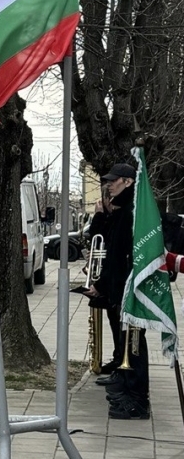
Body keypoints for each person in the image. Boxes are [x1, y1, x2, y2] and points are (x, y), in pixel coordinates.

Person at [84, 162, 149, 419]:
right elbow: (108, 250)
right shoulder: (123, 211)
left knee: (134, 346)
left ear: (128, 182)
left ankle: (137, 401)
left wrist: (101, 285)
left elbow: (119, 257)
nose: (108, 185)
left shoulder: (130, 213)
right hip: (120, 289)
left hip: (128, 290)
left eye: (113, 181)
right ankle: (128, 389)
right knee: (127, 344)